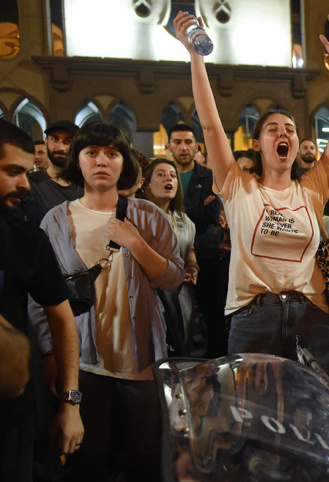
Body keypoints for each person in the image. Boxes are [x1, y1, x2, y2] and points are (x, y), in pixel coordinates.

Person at [174, 10, 329, 357]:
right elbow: (211, 126)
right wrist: (195, 56)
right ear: (257, 144)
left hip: (310, 317)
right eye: (273, 129)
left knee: (307, 411)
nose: (284, 133)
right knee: (253, 411)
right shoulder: (238, 186)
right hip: (253, 318)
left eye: (290, 129)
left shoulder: (312, 189)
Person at [32, 121, 184, 481]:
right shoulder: (55, 221)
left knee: (147, 453)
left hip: (142, 358)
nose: (102, 161)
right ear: (78, 160)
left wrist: (136, 244)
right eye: (92, 153)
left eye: (112, 154)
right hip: (83, 360)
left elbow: (173, 279)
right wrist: (49, 354)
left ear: (123, 162)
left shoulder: (149, 215)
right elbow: (40, 297)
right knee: (90, 454)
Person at [0, 119, 83, 481]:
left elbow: (62, 320)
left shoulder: (26, 239)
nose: (23, 183)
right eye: (12, 171)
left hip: (11, 415)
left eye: (26, 171)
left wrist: (70, 405)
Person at [167, 123, 228, 357]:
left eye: (188, 142)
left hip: (207, 254)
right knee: (176, 316)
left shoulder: (208, 175)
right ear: (169, 147)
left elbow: (211, 214)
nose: (183, 147)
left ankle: (218, 364)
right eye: (177, 142)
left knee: (213, 315)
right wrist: (195, 210)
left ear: (196, 146)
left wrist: (176, 215)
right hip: (170, 256)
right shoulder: (164, 173)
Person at [141, 158, 199, 355]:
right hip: (151, 295)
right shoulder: (139, 216)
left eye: (173, 176)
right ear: (146, 183)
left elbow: (189, 248)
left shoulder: (185, 221)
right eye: (161, 174)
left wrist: (192, 266)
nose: (169, 178)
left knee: (182, 349)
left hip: (181, 294)